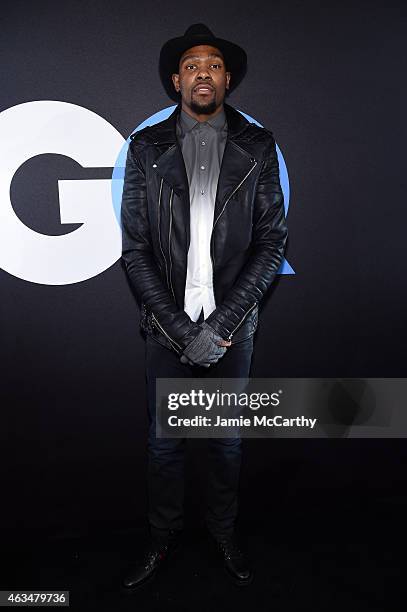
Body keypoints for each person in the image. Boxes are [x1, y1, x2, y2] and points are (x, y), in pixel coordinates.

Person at [120, 23, 288, 589]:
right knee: (164, 445)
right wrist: (175, 327)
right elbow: (135, 249)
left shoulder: (258, 146)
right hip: (165, 326)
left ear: (228, 78)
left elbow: (271, 243)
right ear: (176, 80)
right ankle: (162, 537)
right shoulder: (145, 149)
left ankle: (222, 533)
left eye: (213, 64)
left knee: (224, 443)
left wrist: (220, 324)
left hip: (232, 327)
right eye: (191, 65)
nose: (202, 73)